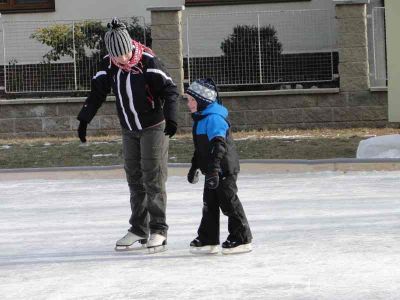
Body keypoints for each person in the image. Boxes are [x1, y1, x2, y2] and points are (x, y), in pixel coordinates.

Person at [76, 18, 179, 253]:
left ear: (130, 48)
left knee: (152, 177)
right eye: (116, 55)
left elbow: (170, 91)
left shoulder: (149, 62)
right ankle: (139, 229)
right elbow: (97, 93)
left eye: (123, 54)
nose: (121, 60)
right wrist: (84, 120)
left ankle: (159, 230)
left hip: (154, 128)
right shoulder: (108, 65)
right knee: (134, 178)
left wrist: (172, 119)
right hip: (129, 129)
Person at [185, 78, 253, 255]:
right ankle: (208, 238)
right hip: (212, 170)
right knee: (209, 203)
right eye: (188, 99)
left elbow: (218, 146)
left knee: (229, 203)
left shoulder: (214, 119)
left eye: (192, 100)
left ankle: (241, 238)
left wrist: (215, 170)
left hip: (224, 169)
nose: (188, 103)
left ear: (203, 100)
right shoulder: (201, 118)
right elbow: (201, 149)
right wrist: (195, 167)